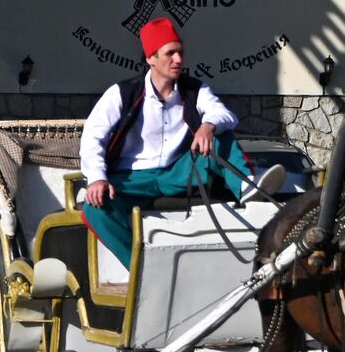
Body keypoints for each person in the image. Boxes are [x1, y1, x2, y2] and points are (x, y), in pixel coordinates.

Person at [79, 18, 253, 268]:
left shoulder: (194, 89)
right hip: (131, 179)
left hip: (176, 173)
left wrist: (207, 126)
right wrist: (97, 177)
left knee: (220, 134)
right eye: (170, 53)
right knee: (96, 208)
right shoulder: (122, 93)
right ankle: (143, 269)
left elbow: (226, 115)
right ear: (151, 58)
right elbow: (93, 137)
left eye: (180, 52)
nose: (179, 60)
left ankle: (249, 192)